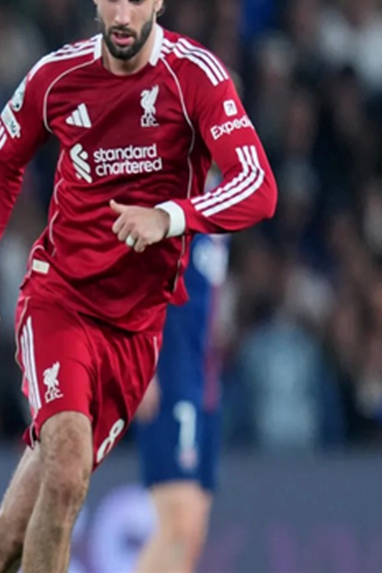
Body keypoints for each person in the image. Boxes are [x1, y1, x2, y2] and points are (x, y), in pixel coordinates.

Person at [0, 0, 277, 573]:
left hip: (135, 333)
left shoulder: (195, 77)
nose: (123, 15)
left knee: (8, 539)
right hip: (61, 299)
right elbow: (0, 156)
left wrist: (172, 216)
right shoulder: (59, 76)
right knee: (67, 467)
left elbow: (259, 187)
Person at [133, 230, 228, 573]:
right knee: (178, 523)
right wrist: (141, 364)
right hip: (172, 378)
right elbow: (138, 275)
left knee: (193, 532)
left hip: (205, 385)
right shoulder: (174, 205)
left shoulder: (223, 216)